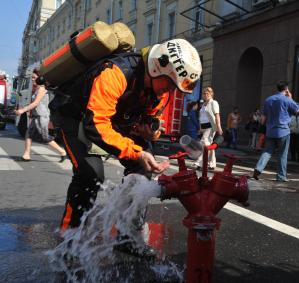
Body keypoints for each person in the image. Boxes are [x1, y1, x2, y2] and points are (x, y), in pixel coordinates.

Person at [52, 39, 202, 234]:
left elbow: (151, 118)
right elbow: (95, 125)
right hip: (75, 115)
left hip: (112, 119)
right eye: (171, 84)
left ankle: (128, 236)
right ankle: (69, 236)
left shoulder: (162, 89)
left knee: (143, 167)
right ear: (157, 68)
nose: (171, 91)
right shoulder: (115, 73)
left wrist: (150, 132)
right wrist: (136, 152)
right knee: (90, 174)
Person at [14, 68, 67, 162]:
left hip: (42, 117)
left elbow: (36, 103)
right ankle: (26, 155)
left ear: (40, 78)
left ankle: (62, 152)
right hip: (36, 116)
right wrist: (23, 109)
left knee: (45, 137)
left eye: (34, 77)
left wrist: (23, 110)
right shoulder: (37, 88)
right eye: (32, 78)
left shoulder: (42, 89)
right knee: (28, 134)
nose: (32, 79)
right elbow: (34, 103)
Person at [253, 82, 299, 182]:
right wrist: (290, 97)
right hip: (283, 131)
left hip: (270, 131)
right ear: (286, 89)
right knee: (282, 154)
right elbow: (297, 110)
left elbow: (263, 118)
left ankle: (258, 168)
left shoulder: (268, 99)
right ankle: (281, 176)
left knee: (267, 151)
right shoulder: (287, 99)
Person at [193, 87, 223, 170]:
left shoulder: (214, 103)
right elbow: (201, 117)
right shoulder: (203, 104)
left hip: (211, 127)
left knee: (203, 143)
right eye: (204, 93)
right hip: (203, 127)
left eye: (207, 93)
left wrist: (219, 127)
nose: (205, 95)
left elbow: (217, 115)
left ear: (211, 94)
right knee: (209, 145)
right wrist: (200, 129)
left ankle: (199, 163)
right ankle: (212, 164)